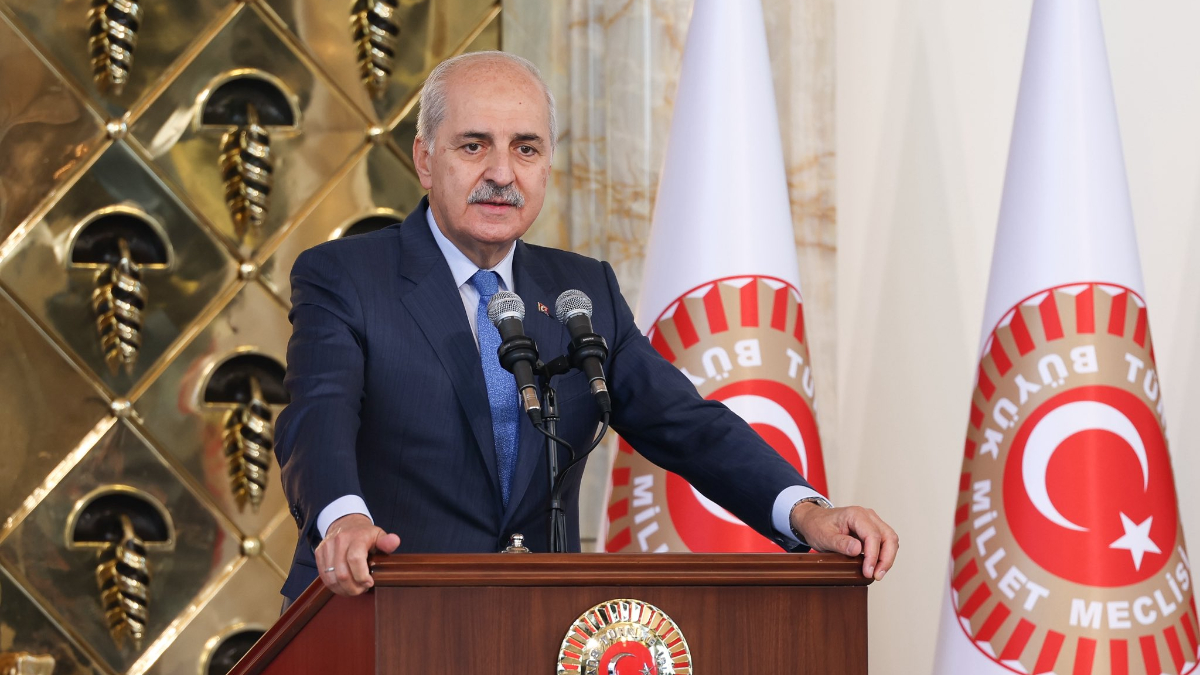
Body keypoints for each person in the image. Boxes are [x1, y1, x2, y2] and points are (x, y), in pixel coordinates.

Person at [274, 51, 898, 604]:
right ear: (425, 159)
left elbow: (686, 424)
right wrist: (343, 518)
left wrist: (806, 511)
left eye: (525, 148)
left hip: (536, 622)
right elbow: (317, 417)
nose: (502, 173)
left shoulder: (581, 291)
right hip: (375, 612)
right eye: (473, 145)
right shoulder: (346, 277)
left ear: (547, 165)